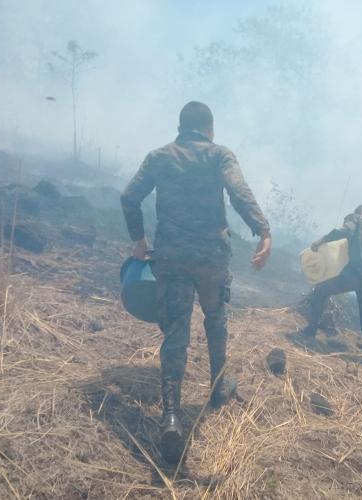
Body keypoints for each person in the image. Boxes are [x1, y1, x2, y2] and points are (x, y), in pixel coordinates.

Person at [120, 101, 272, 463]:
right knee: (216, 319)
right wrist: (262, 230)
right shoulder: (219, 156)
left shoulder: (159, 157)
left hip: (171, 257)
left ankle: (171, 414)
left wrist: (139, 241)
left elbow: (129, 196)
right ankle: (219, 387)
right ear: (210, 128)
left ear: (180, 126)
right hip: (211, 259)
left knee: (176, 333)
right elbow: (238, 193)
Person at [301, 205, 362, 350]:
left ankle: (311, 330)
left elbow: (344, 231)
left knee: (320, 290)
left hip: (355, 273)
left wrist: (321, 241)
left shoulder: (357, 218)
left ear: (358, 212)